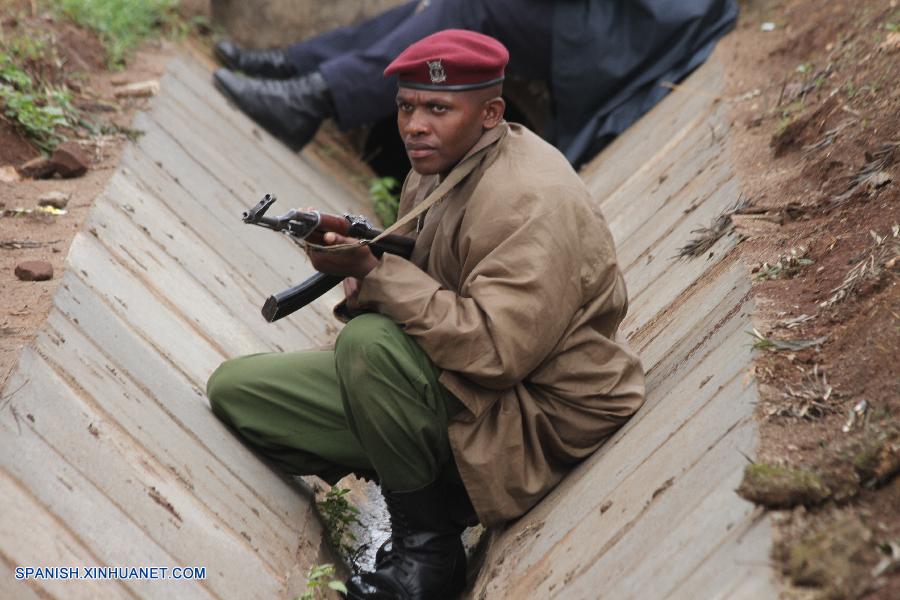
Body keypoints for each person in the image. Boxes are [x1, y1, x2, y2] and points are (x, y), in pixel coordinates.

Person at [207, 29, 645, 600]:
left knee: (367, 344)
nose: (415, 125)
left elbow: (495, 352)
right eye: (406, 107)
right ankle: (425, 484)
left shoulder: (530, 198)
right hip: (464, 388)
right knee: (239, 392)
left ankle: (429, 548)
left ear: (491, 113)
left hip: (537, 414)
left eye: (438, 108)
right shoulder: (437, 164)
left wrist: (374, 273)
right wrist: (359, 250)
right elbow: (436, 275)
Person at [212, 0, 737, 167]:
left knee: (471, 4)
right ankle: (298, 69)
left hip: (628, 31)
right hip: (615, 18)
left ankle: (313, 95)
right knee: (447, 1)